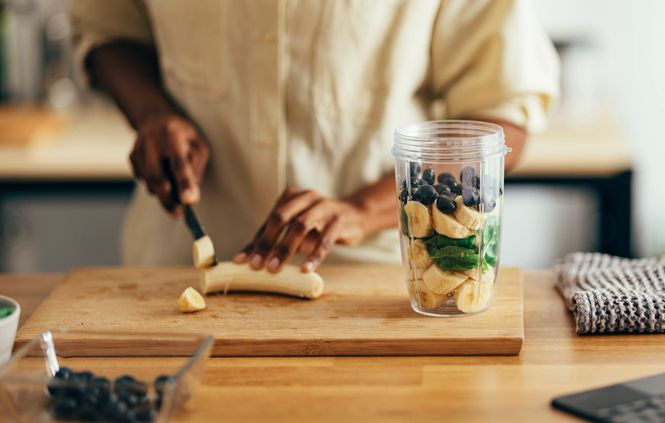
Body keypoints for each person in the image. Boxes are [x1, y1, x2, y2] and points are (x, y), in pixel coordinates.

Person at [69, 0, 559, 273]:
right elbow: (108, 28)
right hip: (177, 269)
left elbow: (501, 118)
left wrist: (362, 210)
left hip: (372, 283)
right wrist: (152, 114)